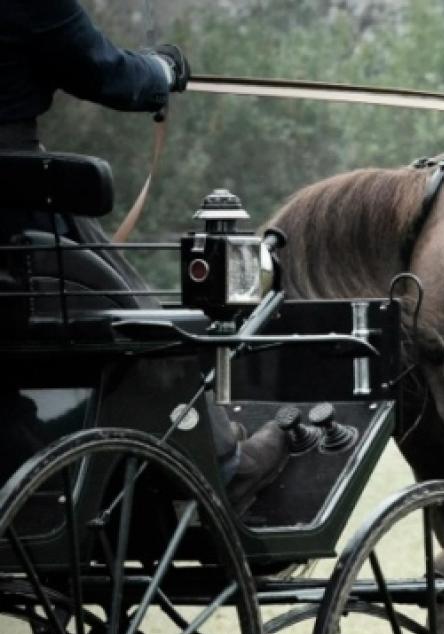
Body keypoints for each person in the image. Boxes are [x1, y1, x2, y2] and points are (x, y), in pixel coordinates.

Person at [0, 0, 287, 513]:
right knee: (147, 326)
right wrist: (162, 70)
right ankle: (222, 460)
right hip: (15, 214)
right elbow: (104, 72)